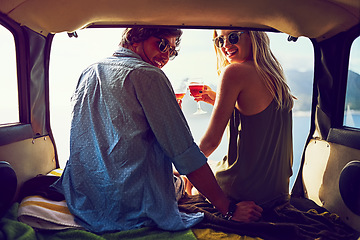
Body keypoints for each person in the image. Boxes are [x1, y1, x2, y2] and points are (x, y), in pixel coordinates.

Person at [52, 27, 263, 234]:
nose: (165, 56)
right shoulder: (148, 75)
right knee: (186, 182)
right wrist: (228, 209)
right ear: (135, 37)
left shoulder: (89, 70)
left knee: (176, 176)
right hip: (131, 203)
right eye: (162, 45)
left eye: (171, 51)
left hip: (85, 195)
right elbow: (184, 153)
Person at [194, 30, 294, 210]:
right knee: (207, 165)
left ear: (253, 35)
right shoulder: (275, 77)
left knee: (186, 177)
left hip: (245, 192)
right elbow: (256, 111)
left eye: (232, 37)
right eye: (219, 40)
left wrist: (183, 167)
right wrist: (218, 99)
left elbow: (210, 143)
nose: (225, 46)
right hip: (277, 193)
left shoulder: (234, 71)